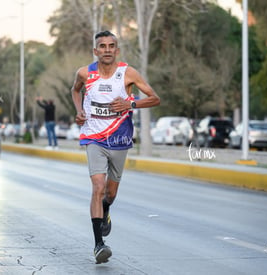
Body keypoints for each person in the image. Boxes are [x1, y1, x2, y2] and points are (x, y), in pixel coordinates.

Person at [71, 30, 160, 264]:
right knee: (98, 187)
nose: (107, 49)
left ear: (117, 50)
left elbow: (154, 98)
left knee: (110, 193)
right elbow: (75, 90)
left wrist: (130, 103)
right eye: (103, 46)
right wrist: (79, 111)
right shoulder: (85, 73)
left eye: (112, 46)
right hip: (94, 137)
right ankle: (99, 245)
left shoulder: (127, 73)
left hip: (120, 139)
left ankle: (106, 210)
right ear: (95, 51)